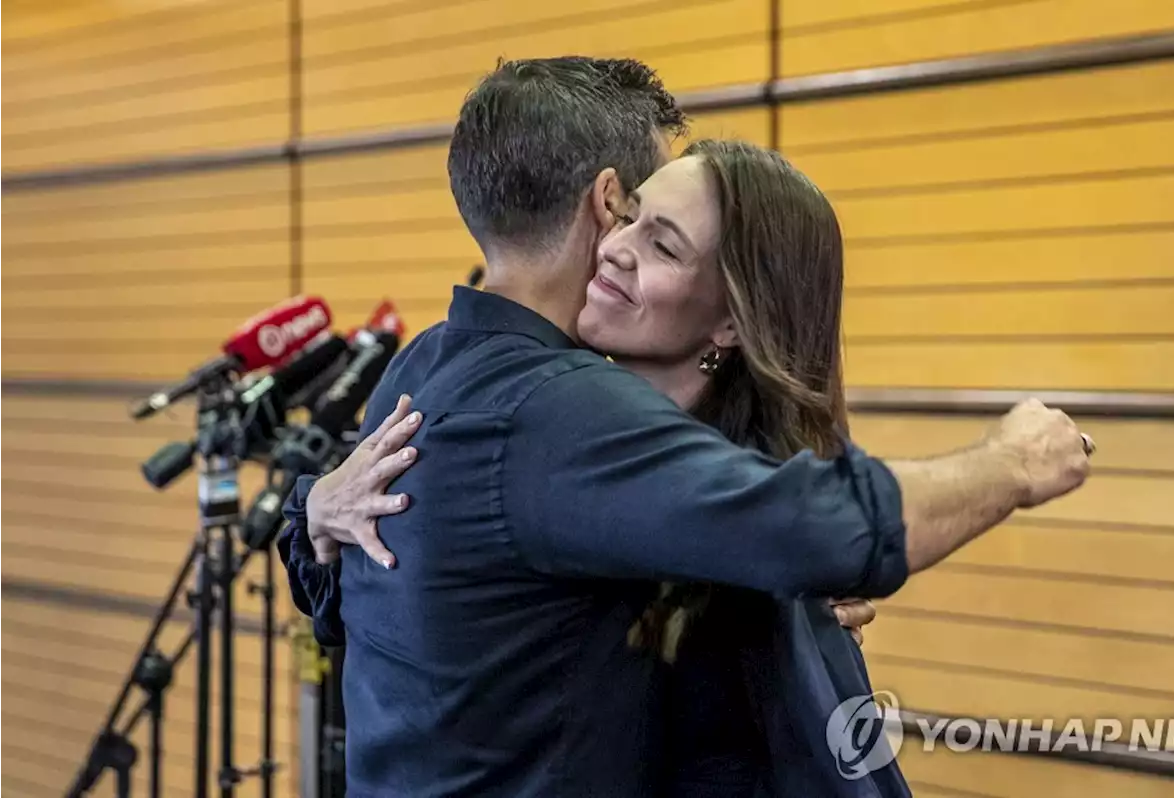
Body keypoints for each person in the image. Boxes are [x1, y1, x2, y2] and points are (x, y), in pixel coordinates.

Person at [278, 56, 1093, 797]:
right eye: (631, 219)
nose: (621, 251)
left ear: (733, 320)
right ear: (603, 202)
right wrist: (1009, 462)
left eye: (660, 239)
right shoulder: (566, 417)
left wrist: (309, 506)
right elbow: (817, 530)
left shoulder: (424, 365)